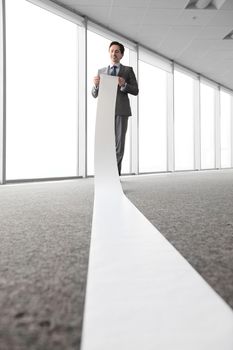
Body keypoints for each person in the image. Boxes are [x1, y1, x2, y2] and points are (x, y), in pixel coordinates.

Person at [92, 41, 139, 176]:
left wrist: (124, 85)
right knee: (106, 145)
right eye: (112, 51)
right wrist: (95, 86)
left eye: (117, 51)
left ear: (122, 55)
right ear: (109, 53)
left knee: (119, 145)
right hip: (105, 112)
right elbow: (95, 94)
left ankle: (114, 175)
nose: (114, 53)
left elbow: (136, 90)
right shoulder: (101, 72)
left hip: (121, 111)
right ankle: (107, 174)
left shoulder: (127, 71)